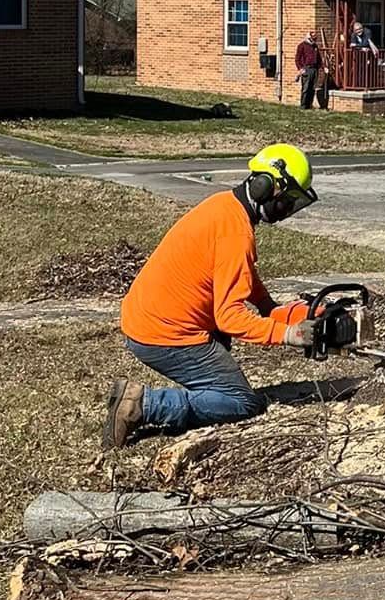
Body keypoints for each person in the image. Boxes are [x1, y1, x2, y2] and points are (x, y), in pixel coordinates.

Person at [104, 144, 321, 448]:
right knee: (242, 402)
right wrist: (287, 334)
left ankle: (206, 389)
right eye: (286, 200)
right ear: (264, 187)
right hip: (162, 335)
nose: (286, 209)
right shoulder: (237, 233)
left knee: (223, 361)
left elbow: (237, 273)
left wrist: (269, 306)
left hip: (145, 319)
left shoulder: (224, 206)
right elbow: (230, 318)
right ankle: (143, 404)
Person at [295, 30, 328, 110]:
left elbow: (319, 59)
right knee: (305, 88)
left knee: (312, 88)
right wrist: (300, 69)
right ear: (309, 38)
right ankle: (303, 105)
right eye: (313, 38)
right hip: (306, 69)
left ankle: (309, 105)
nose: (314, 40)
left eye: (315, 38)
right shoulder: (302, 46)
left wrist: (324, 67)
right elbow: (297, 59)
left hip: (314, 69)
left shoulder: (315, 46)